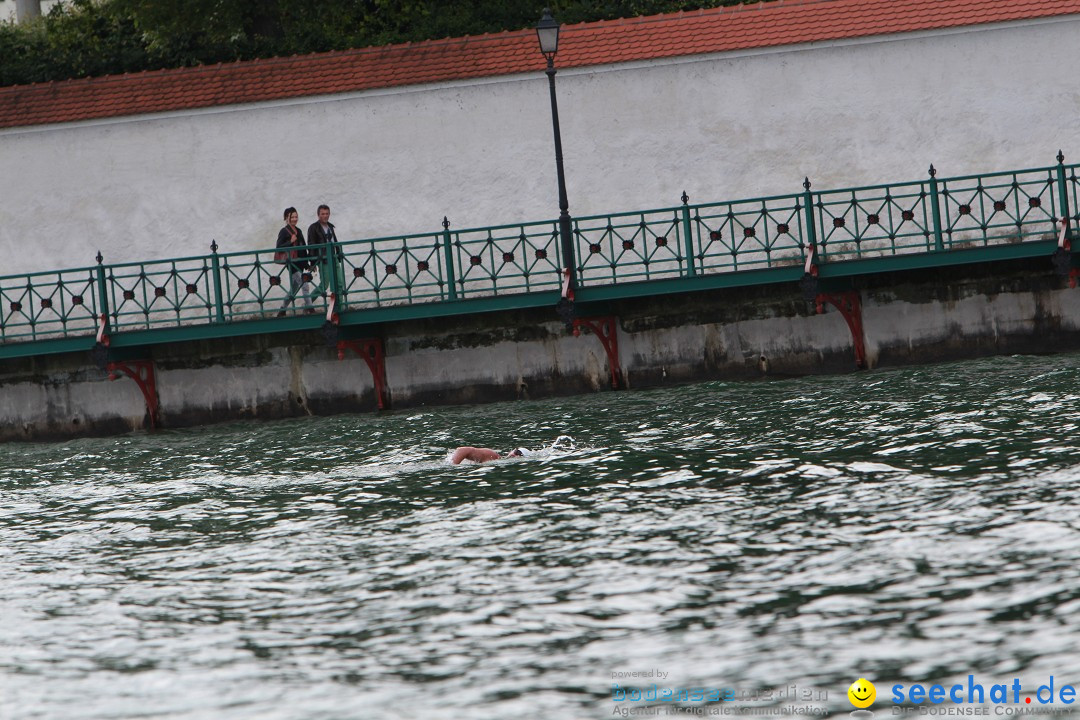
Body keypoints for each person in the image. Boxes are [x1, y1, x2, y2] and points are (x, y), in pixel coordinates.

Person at [276, 207, 314, 316]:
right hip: (292, 264)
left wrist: (308, 263)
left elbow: (303, 248)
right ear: (286, 218)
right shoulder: (283, 231)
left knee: (293, 289)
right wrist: (290, 242)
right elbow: (278, 247)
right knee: (305, 285)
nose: (294, 219)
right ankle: (311, 309)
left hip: (300, 263)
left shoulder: (299, 230)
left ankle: (282, 310)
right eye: (292, 217)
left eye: (296, 216)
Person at [307, 204, 347, 307]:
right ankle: (308, 303)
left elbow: (334, 241)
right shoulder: (313, 228)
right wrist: (313, 262)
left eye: (327, 213)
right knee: (324, 285)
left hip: (334, 258)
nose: (325, 216)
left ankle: (339, 306)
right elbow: (311, 245)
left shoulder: (330, 226)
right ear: (318, 215)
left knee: (339, 283)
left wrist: (339, 254)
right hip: (323, 260)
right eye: (323, 214)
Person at [450, 446, 528, 464]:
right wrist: (453, 467)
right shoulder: (492, 456)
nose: (516, 455)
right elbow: (462, 450)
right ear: (511, 451)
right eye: (517, 452)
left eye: (520, 455)